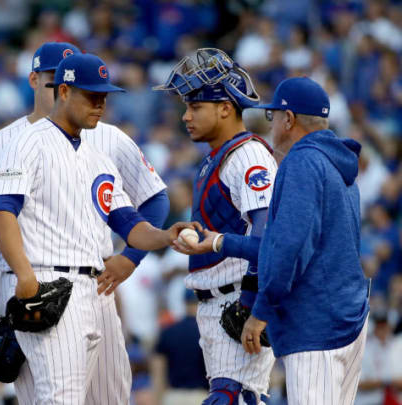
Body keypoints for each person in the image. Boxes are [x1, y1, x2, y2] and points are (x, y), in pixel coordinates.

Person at [0, 42, 169, 404]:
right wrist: (21, 279)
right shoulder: (24, 142)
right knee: (59, 398)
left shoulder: (96, 154)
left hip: (94, 288)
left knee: (108, 396)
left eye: (104, 97)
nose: (101, 105)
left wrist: (168, 236)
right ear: (62, 90)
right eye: (92, 97)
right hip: (46, 283)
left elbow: (130, 223)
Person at [155, 48, 276, 404]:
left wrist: (253, 302)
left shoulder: (249, 155)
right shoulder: (218, 155)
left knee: (231, 397)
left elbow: (267, 231)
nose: (185, 116)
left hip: (237, 297)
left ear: (225, 107)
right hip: (217, 300)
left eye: (196, 107)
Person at [241, 76, 370, 405]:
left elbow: (291, 246)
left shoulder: (302, 161)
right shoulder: (339, 163)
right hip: (347, 317)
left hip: (315, 325)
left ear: (289, 119)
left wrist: (262, 310)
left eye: (273, 117)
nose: (271, 126)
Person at [152, 290, 209, 405]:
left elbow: (158, 373)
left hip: (173, 397)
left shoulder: (168, 331)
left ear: (184, 302)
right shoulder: (208, 333)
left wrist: (157, 399)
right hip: (201, 396)